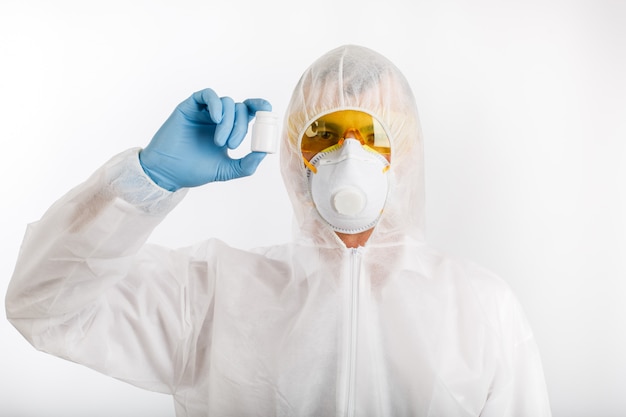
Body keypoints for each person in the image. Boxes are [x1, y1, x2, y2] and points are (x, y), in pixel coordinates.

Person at [5, 45, 552, 416]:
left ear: (406, 155)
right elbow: (44, 305)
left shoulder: (479, 311)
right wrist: (147, 181)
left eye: (373, 135)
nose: (350, 155)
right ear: (293, 156)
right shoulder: (215, 296)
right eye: (326, 134)